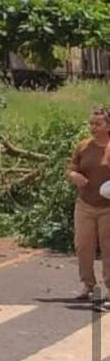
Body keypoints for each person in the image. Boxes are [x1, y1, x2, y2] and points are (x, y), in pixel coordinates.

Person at [67, 106, 110, 300]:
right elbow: (71, 168)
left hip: (107, 207)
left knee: (108, 247)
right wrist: (74, 176)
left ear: (108, 126)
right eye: (91, 123)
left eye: (98, 124)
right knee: (83, 245)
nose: (93, 127)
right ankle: (88, 285)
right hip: (85, 204)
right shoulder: (83, 147)